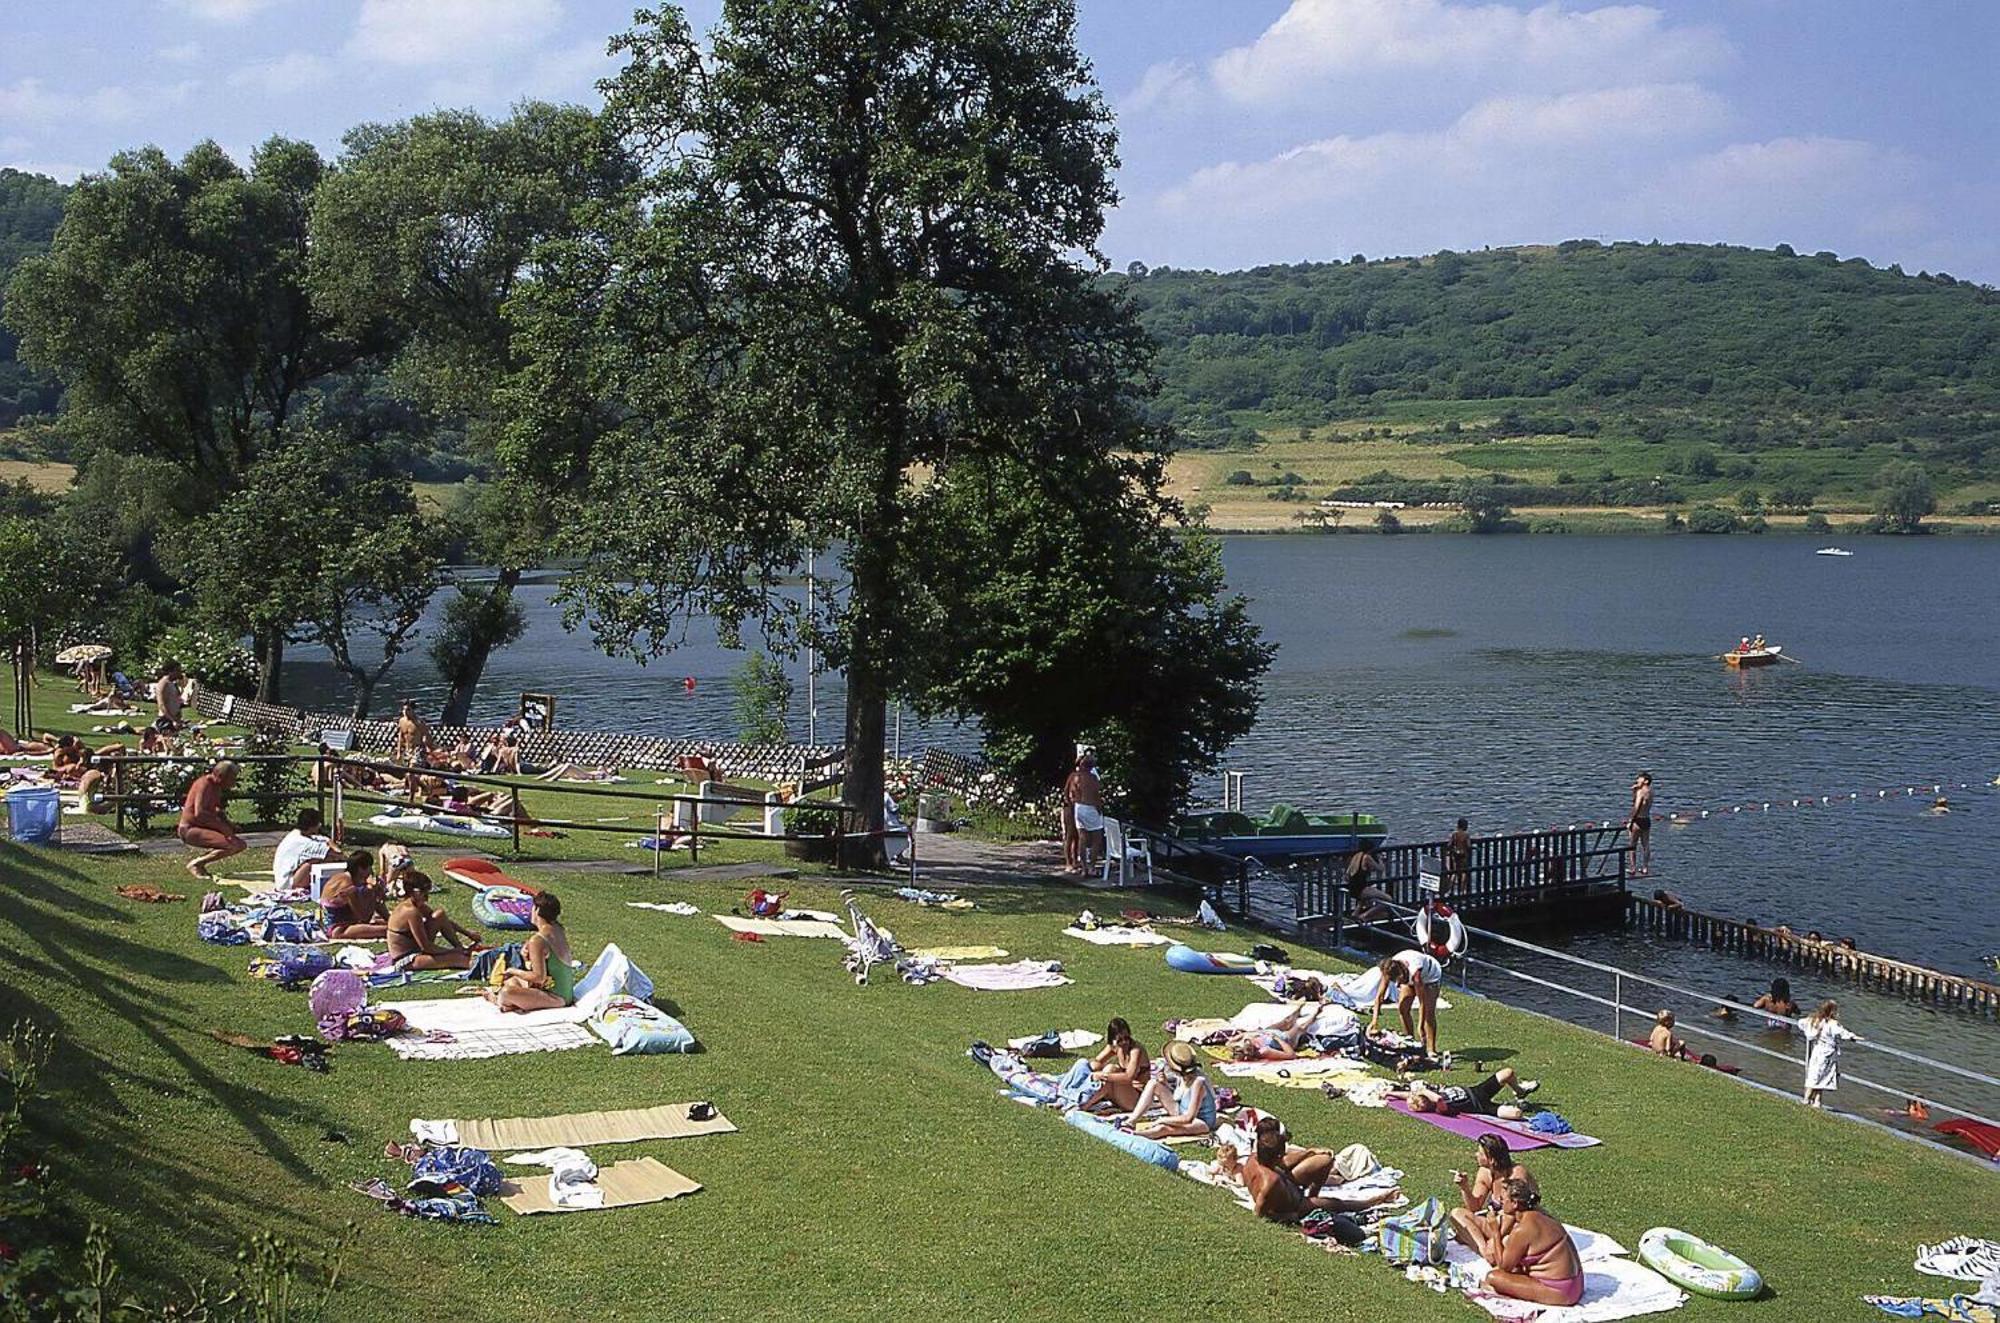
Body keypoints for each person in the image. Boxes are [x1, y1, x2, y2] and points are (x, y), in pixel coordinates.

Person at [1243, 1115, 1401, 1225]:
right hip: (1295, 1204)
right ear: (1277, 1156)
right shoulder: (1270, 1182)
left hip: (1286, 1185)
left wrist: (1309, 1152)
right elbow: (1259, 1214)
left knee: (1325, 1160)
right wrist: (1290, 1217)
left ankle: (1314, 1193)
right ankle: (1376, 1200)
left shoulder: (1254, 1158)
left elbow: (1284, 1163)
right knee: (1338, 1205)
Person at [1478, 1180, 1585, 1308]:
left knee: (1493, 1277)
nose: (1500, 1202)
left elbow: (1503, 1267)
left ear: (1515, 1203)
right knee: (1515, 1267)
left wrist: (1495, 1231)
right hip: (1576, 1283)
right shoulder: (1543, 1216)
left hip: (1561, 1292)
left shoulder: (1523, 1229)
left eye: (1503, 1199)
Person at [488, 891, 575, 1012]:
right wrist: (527, 946)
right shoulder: (557, 928)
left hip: (556, 997)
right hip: (565, 992)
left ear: (537, 910)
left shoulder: (538, 940)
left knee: (506, 992)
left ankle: (501, 1002)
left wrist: (512, 970)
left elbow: (538, 977)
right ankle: (513, 1004)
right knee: (512, 982)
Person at [386, 871, 481, 971]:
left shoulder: (416, 905)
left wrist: (468, 934)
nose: (427, 898)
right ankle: (481, 965)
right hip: (407, 959)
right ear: (416, 892)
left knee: (439, 914)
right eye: (425, 894)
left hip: (416, 948)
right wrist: (451, 952)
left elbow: (443, 920)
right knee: (458, 959)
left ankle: (460, 948)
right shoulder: (411, 912)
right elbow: (426, 947)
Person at [1124, 1041, 1216, 1140]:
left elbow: (1189, 1118)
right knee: (1153, 1083)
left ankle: (1135, 1135)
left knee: (1163, 1128)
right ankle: (1130, 1122)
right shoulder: (1183, 1077)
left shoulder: (1198, 1083)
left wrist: (1163, 1120)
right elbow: (1181, 1096)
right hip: (1182, 1111)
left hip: (1200, 1121)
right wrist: (1165, 1084)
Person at [176, 759, 245, 878]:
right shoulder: (204, 784)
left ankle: (201, 863)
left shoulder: (216, 787)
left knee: (240, 845)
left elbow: (215, 810)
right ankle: (196, 864)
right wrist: (223, 828)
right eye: (232, 778)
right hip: (190, 829)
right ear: (221, 776)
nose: (234, 782)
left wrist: (229, 824)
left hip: (202, 826)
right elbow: (200, 813)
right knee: (233, 845)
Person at [1370, 948, 1444, 1056]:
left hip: (1430, 977)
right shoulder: (1388, 968)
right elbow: (1379, 996)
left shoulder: (1415, 974)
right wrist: (1374, 1021)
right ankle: (1410, 1042)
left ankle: (1430, 1049)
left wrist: (1421, 1025)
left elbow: (1422, 1002)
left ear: (1400, 974)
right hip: (1408, 976)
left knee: (1429, 1012)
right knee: (1403, 1008)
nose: (1396, 983)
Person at [1394, 1067, 1539, 1121]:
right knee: (1517, 1114)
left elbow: (1409, 1094)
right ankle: (1513, 1104)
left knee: (1508, 1072)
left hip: (1478, 1090)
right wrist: (1423, 1090)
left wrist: (1389, 1092)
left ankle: (1519, 1091)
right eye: (1423, 1105)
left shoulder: (1434, 1093)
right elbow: (1438, 1100)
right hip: (1481, 1106)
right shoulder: (1440, 1108)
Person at [1077, 1017, 1151, 1114]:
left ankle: (1087, 1104)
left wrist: (1103, 1075)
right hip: (1122, 1093)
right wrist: (1092, 1068)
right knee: (1098, 1068)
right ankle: (1082, 1099)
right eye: (1120, 1040)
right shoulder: (1115, 1047)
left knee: (1110, 1070)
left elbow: (1129, 1076)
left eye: (1127, 1038)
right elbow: (1097, 1061)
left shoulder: (1135, 1050)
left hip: (1137, 1099)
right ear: (1113, 1040)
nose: (1124, 1042)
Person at [320, 849, 391, 940]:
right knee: (390, 930)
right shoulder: (347, 885)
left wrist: (377, 893)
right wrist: (373, 891)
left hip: (348, 923)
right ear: (360, 869)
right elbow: (363, 917)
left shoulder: (347, 878)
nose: (371, 872)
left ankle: (391, 921)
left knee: (390, 925)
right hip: (339, 929)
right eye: (369, 867)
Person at [1800, 999, 1859, 1109]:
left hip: (1817, 1051)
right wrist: (1853, 1036)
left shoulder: (1815, 1020)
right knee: (1818, 1076)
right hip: (1827, 1054)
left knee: (1816, 1075)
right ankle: (1806, 1099)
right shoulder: (1832, 1023)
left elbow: (1802, 1023)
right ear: (1832, 1012)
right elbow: (1842, 1032)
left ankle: (1816, 1101)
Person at [1226, 1001, 1321, 1063]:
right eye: (1251, 1047)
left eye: (1247, 1042)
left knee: (1286, 1021)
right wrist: (1277, 1039)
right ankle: (1317, 1014)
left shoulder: (1245, 1040)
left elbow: (1229, 1043)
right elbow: (1291, 1055)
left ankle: (1298, 1011)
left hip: (1267, 1032)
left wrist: (1247, 1034)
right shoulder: (1263, 1051)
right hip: (1285, 1039)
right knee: (1300, 1027)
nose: (1249, 1042)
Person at [271, 808, 336, 891]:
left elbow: (322, 839)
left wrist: (328, 841)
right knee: (316, 860)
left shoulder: (295, 834)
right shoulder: (304, 843)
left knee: (318, 858)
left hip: (282, 878)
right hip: (286, 884)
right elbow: (336, 853)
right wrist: (333, 845)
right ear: (312, 825)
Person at [1063, 753, 1104, 875]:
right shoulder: (1092, 778)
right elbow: (1096, 795)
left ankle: (1083, 868)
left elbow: (1067, 793)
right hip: (1090, 807)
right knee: (1097, 838)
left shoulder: (1076, 776)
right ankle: (1091, 866)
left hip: (1078, 807)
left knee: (1082, 837)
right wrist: (1099, 809)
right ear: (1092, 767)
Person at [1346, 839, 1393, 922]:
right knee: (1388, 900)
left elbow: (1347, 874)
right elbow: (1380, 869)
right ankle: (1364, 916)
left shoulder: (1356, 856)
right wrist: (1380, 859)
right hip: (1361, 889)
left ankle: (1355, 914)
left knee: (1364, 898)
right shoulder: (1366, 857)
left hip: (1352, 888)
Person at [1628, 772, 1653, 877]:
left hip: (1638, 820)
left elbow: (1636, 806)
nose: (1637, 780)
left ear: (1646, 781)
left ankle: (1633, 868)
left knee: (1632, 845)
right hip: (1646, 819)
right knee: (1645, 844)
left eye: (1640, 779)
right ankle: (1645, 867)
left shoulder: (1641, 792)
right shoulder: (1650, 792)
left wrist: (1631, 820)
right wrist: (1634, 791)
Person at [392, 700, 431, 766]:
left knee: (412, 765)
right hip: (406, 749)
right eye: (404, 710)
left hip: (417, 750)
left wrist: (426, 743)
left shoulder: (419, 723)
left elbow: (427, 735)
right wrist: (399, 752)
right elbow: (400, 737)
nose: (405, 712)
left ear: (413, 711)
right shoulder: (401, 721)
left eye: (408, 710)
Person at [153, 661, 188, 732]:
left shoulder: (172, 683)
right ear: (170, 671)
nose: (180, 673)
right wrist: (172, 720)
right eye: (178, 670)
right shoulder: (163, 684)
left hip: (175, 719)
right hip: (166, 720)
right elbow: (161, 705)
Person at [1445, 817, 1471, 895]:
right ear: (1464, 826)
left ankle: (1449, 890)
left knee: (1454, 873)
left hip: (1455, 855)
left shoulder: (1454, 834)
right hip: (1463, 855)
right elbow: (1468, 845)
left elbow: (1449, 844)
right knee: (1464, 873)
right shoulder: (1466, 835)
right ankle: (1462, 891)